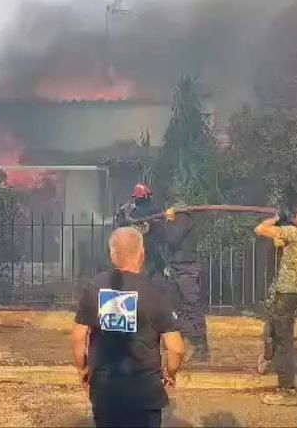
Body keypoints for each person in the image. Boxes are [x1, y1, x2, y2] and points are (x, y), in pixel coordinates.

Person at [71, 227, 186, 428]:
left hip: (105, 389)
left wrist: (83, 370)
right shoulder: (157, 292)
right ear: (142, 254)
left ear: (112, 255)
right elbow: (176, 348)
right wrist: (170, 374)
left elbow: (78, 338)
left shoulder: (94, 287)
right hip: (145, 391)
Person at [114, 183, 210, 363]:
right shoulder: (160, 214)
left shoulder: (183, 217)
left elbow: (171, 239)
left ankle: (199, 346)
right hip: (176, 267)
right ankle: (181, 342)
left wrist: (168, 220)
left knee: (191, 306)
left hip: (187, 268)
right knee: (174, 306)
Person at [253, 205, 297, 400]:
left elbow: (259, 229)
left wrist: (275, 218)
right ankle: (267, 358)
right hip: (295, 293)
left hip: (288, 292)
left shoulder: (294, 231)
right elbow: (277, 242)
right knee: (272, 326)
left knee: (284, 341)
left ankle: (287, 390)